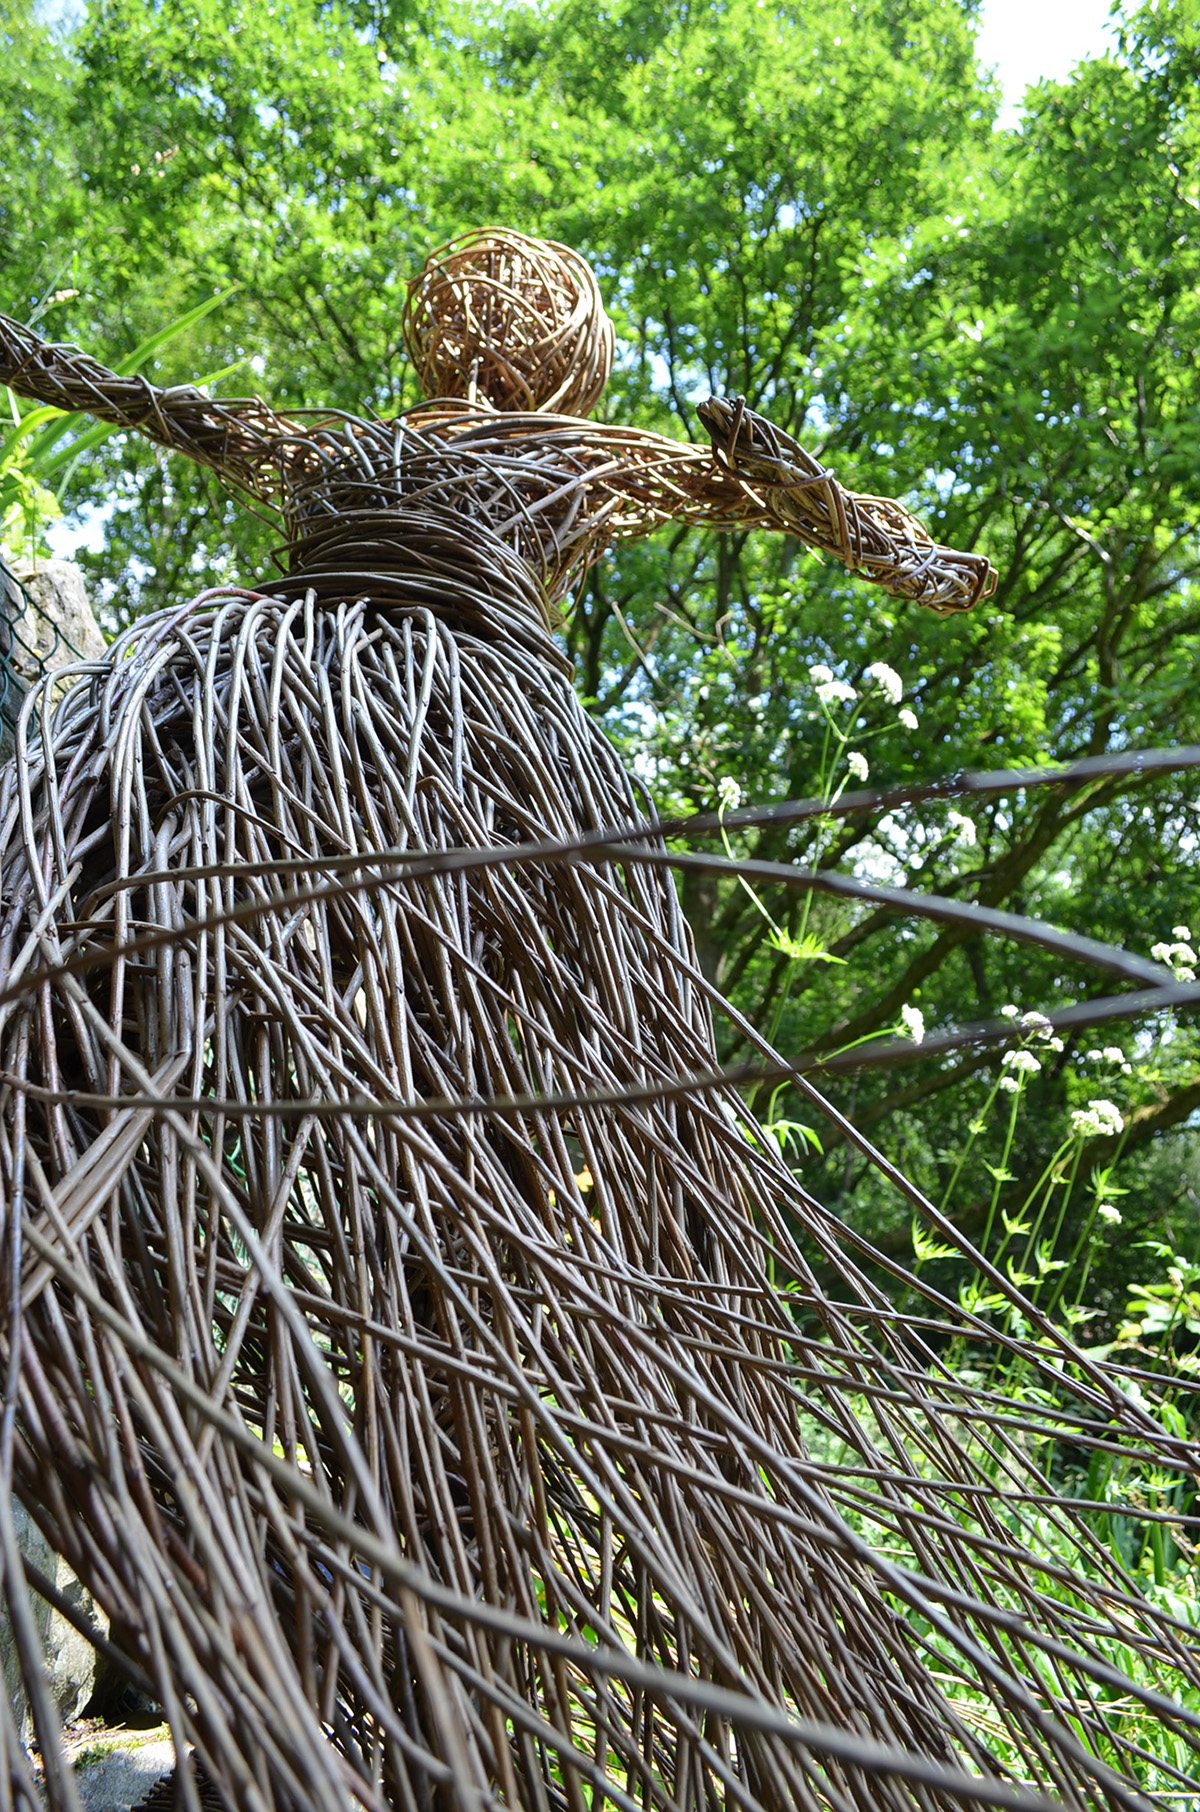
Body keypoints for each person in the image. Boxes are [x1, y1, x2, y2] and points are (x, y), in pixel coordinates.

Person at [0, 233, 1189, 1812]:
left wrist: (869, 530)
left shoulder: (465, 452)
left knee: (446, 1162)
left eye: (517, 322)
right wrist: (867, 532)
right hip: (360, 738)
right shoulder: (509, 447)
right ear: (573, 352)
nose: (496, 344)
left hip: (298, 716)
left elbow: (141, 402)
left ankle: (358, 1616)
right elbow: (147, 403)